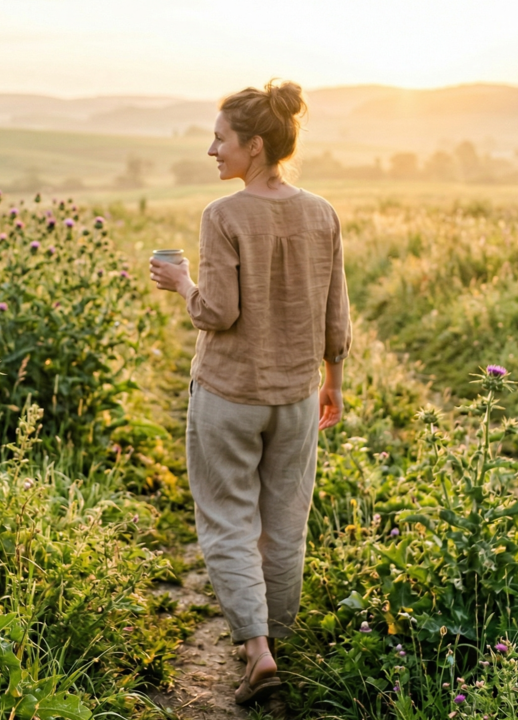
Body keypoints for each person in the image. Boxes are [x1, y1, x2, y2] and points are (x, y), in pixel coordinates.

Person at [149, 79, 351, 706]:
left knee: (228, 522)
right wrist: (333, 382)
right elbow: (335, 311)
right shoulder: (322, 211)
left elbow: (217, 313)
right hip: (295, 395)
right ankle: (277, 649)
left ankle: (256, 650)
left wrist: (180, 283)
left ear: (254, 145)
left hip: (230, 394)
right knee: (286, 523)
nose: (212, 150)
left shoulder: (223, 215)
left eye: (220, 139)